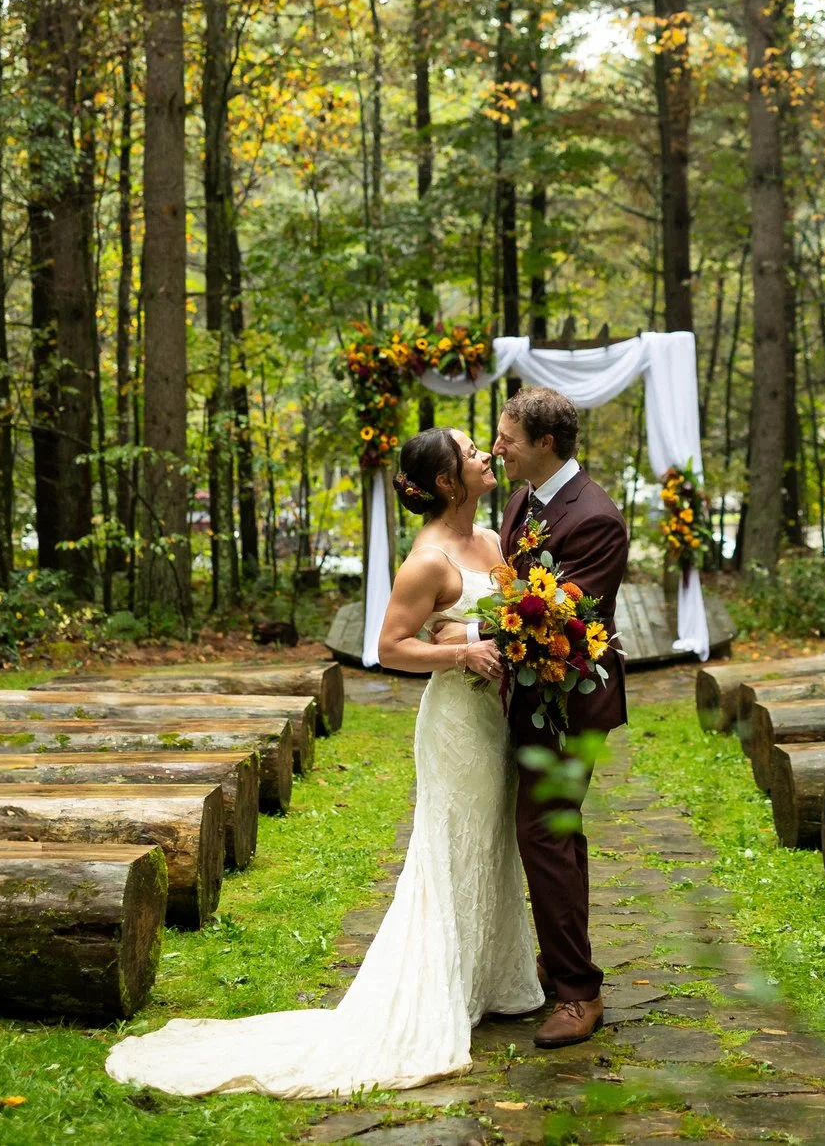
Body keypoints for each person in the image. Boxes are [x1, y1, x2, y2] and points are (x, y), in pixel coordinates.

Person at [102, 426, 540, 1098]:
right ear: (449, 480)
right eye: (472, 450)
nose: (487, 453)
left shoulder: (494, 540)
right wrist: (458, 652)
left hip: (497, 715)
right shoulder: (426, 559)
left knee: (488, 844)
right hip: (457, 723)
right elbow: (389, 647)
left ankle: (487, 978)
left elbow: (501, 617)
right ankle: (432, 989)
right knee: (450, 845)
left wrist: (481, 632)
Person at [490, 386, 629, 1049]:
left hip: (574, 702)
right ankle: (560, 957)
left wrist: (480, 634)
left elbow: (565, 618)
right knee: (559, 836)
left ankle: (580, 992)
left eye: (507, 439)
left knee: (541, 833)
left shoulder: (597, 517)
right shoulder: (522, 499)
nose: (497, 449)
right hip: (534, 698)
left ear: (545, 442)